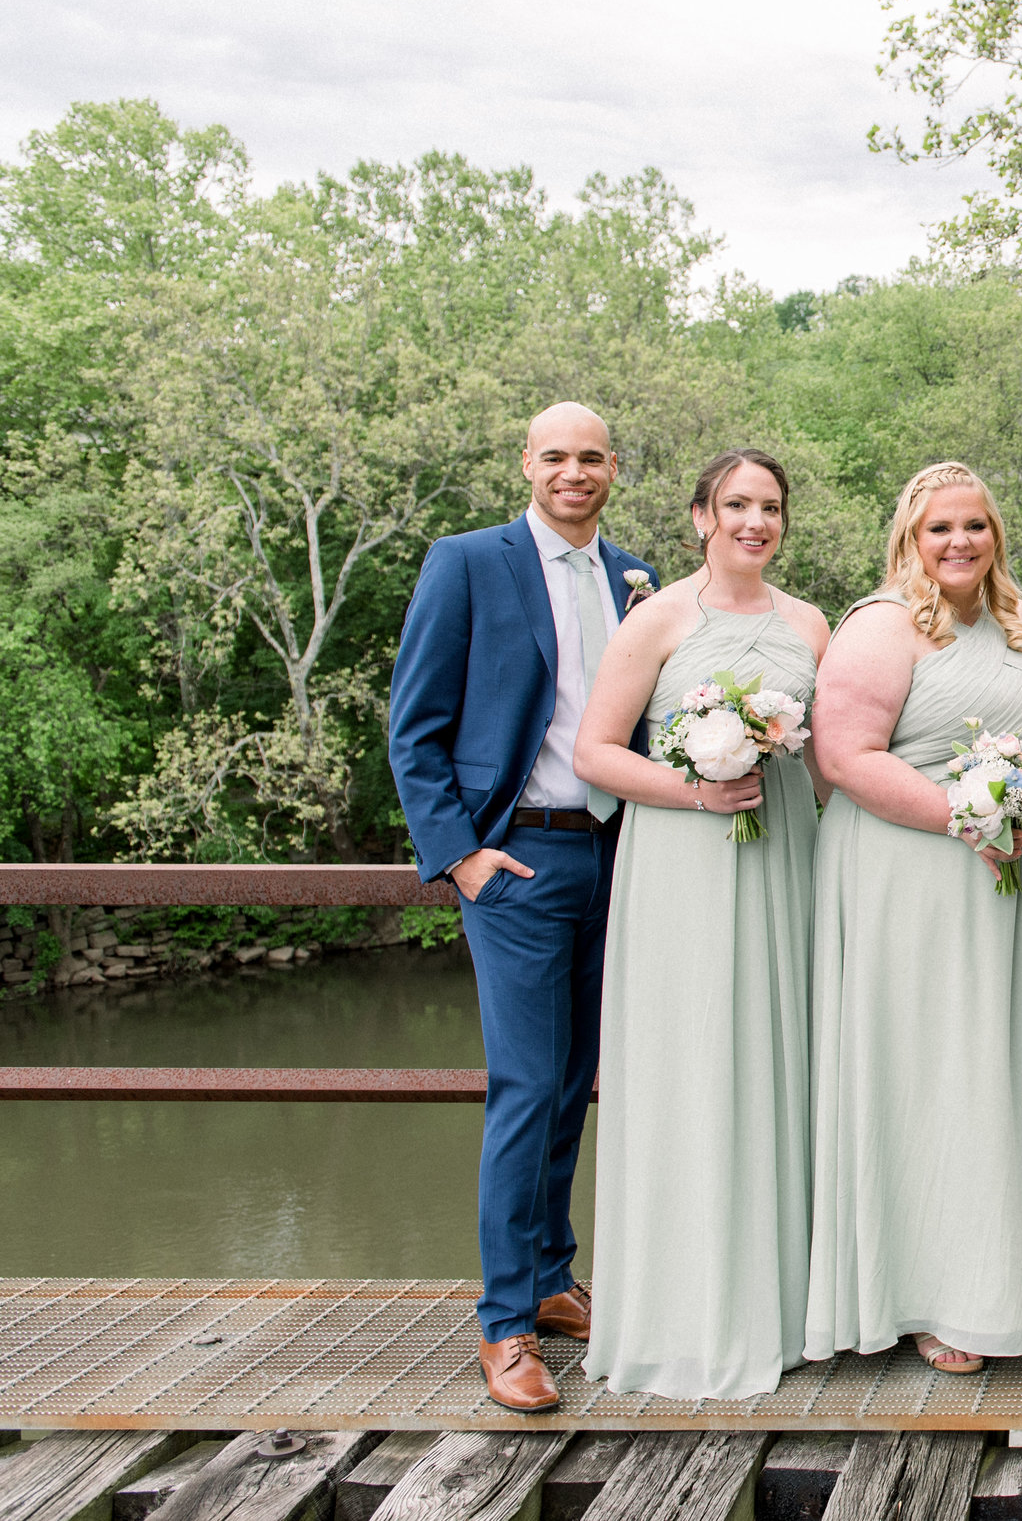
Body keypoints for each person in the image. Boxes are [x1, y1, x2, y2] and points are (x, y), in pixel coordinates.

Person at [387, 401, 655, 1413]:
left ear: (613, 465)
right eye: (555, 456)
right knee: (526, 1085)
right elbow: (414, 728)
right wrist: (460, 857)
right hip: (519, 864)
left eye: (591, 456)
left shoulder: (636, 577)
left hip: (616, 860)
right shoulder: (467, 562)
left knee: (575, 1079)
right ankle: (504, 1326)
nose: (573, 471)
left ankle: (550, 1276)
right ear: (527, 462)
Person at [572, 450, 831, 1400]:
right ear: (700, 517)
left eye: (769, 507)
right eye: (736, 506)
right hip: (686, 862)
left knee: (782, 1059)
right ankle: (686, 1309)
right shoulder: (658, 618)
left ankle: (783, 1303)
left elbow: (833, 757)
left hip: (790, 860)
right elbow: (594, 751)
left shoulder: (810, 624)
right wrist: (693, 789)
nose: (754, 522)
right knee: (696, 1065)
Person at [805, 462, 1022, 1376]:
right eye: (939, 529)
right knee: (931, 1078)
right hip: (913, 874)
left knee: (998, 1073)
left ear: (997, 532)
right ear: (909, 538)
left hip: (1015, 883)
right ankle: (925, 1292)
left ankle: (1012, 1284)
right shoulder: (881, 626)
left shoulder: (1020, 619)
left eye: (976, 525)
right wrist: (968, 818)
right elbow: (845, 756)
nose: (960, 542)